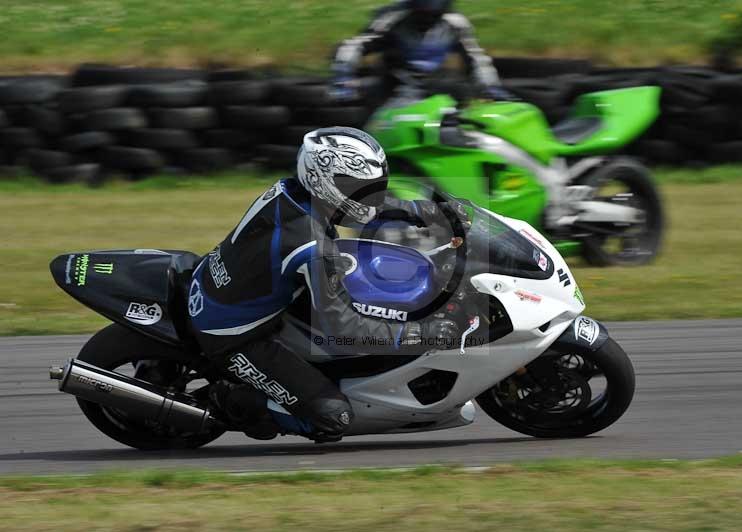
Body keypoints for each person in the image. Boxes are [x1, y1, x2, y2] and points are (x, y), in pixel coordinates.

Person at [188, 127, 463, 443]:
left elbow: (366, 207)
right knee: (333, 417)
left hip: (243, 288)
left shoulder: (293, 191)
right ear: (326, 182)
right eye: (361, 187)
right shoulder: (311, 245)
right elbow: (344, 330)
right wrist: (418, 334)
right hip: (234, 334)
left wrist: (431, 212)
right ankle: (227, 400)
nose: (370, 195)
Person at [331, 0, 512, 101]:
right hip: (393, 88)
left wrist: (492, 88)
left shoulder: (456, 24)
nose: (427, 18)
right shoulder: (391, 19)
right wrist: (342, 80)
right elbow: (354, 46)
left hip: (437, 89)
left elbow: (476, 59)